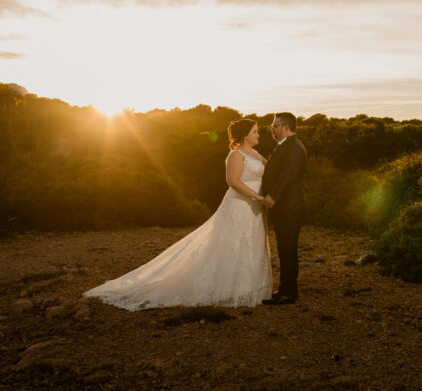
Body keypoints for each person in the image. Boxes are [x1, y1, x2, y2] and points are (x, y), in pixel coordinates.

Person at [83, 119, 272, 310]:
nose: (258, 135)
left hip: (256, 207)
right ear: (244, 135)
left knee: (251, 242)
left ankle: (246, 287)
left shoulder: (256, 154)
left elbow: (272, 169)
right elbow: (232, 181)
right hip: (239, 205)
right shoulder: (236, 155)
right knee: (233, 243)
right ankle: (226, 288)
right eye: (254, 132)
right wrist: (257, 197)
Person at [261, 112, 307, 305]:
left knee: (287, 251)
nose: (273, 129)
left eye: (276, 125)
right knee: (286, 250)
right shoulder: (287, 146)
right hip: (286, 208)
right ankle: (289, 290)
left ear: (285, 127)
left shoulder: (294, 147)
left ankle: (287, 292)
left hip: (289, 208)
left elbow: (288, 175)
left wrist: (273, 195)